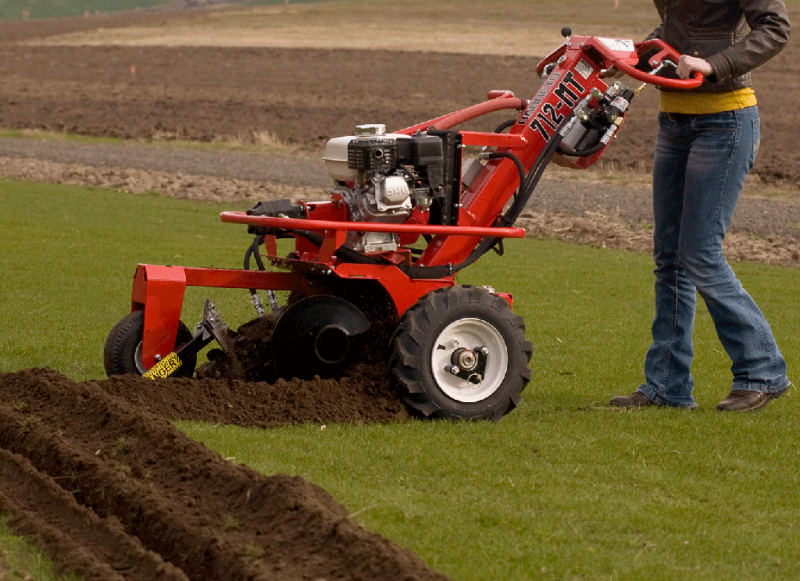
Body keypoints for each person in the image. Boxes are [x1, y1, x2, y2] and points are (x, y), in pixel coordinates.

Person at [608, 0, 792, 411]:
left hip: (725, 121)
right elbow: (683, 26)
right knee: (669, 257)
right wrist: (635, 53)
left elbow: (776, 27)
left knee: (700, 255)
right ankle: (666, 388)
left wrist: (713, 64)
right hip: (673, 121)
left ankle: (762, 371)